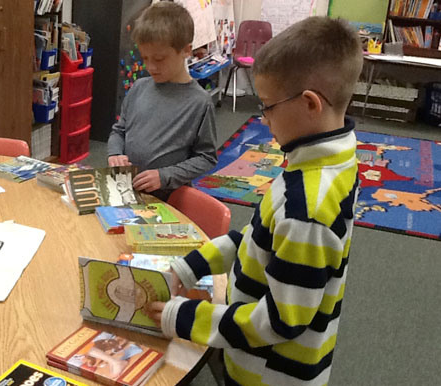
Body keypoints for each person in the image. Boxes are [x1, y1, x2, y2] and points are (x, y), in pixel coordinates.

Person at [148, 16, 364, 386]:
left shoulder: (306, 208)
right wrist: (187, 269)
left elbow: (281, 321)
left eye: (267, 105)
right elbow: (256, 238)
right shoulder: (324, 160)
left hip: (269, 374)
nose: (263, 119)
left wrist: (183, 317)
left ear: (310, 104)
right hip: (255, 355)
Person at [107, 2, 217, 201]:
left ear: (186, 50)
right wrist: (114, 153)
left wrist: (164, 176)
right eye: (145, 58)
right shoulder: (139, 88)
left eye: (158, 59)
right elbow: (119, 131)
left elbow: (206, 158)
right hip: (127, 192)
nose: (150, 67)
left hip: (168, 199)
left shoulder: (200, 102)